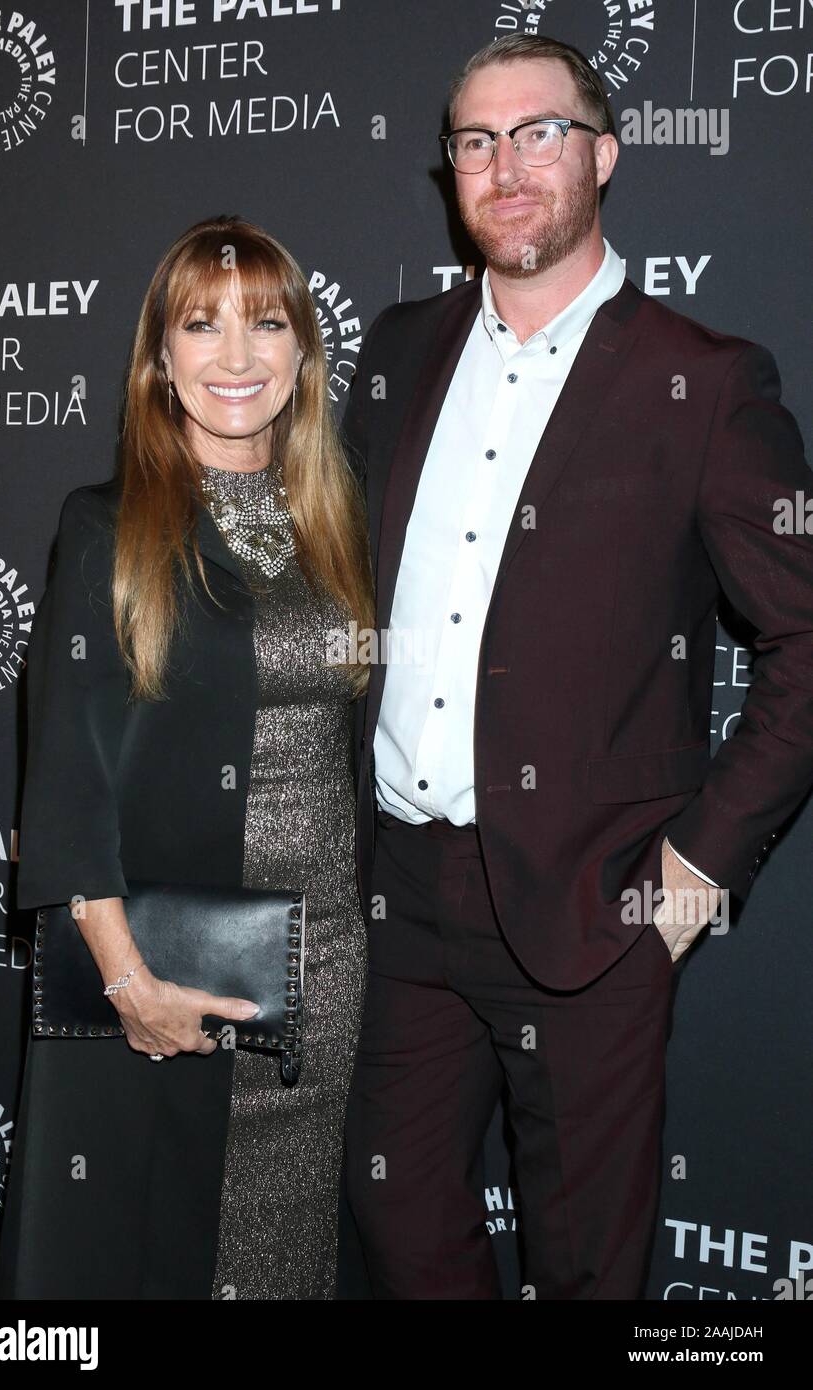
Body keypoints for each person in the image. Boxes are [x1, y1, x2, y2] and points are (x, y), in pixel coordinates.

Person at [341, 34, 813, 1299]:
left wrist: (690, 878)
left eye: (537, 132)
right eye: (475, 142)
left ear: (601, 154)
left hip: (598, 904)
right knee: (396, 1226)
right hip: (401, 893)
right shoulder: (391, 355)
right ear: (448, 173)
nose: (506, 166)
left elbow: (802, 640)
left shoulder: (702, 384)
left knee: (586, 1264)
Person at [0, 215, 371, 1300]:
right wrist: (126, 979)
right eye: (201, 326)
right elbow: (67, 773)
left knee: (290, 1246)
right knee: (149, 1249)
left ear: (304, 352)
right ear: (161, 360)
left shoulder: (336, 521)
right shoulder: (109, 526)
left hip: (330, 960)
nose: (237, 357)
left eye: (266, 323)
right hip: (174, 959)